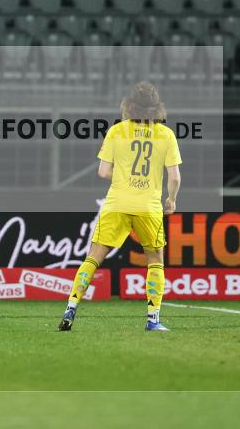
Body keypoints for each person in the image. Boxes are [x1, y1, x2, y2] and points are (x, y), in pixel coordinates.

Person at [58, 82, 181, 332]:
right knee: (155, 258)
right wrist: (172, 199)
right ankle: (153, 319)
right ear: (156, 107)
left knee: (93, 257)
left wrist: (124, 175)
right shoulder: (166, 135)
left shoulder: (116, 131)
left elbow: (103, 171)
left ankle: (71, 307)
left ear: (129, 105)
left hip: (116, 203)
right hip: (148, 206)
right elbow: (175, 177)